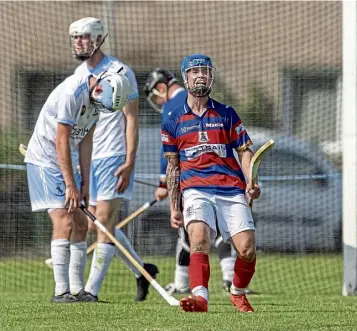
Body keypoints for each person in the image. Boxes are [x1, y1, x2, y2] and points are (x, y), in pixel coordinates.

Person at [68, 17, 158, 302]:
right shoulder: (78, 74)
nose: (78, 42)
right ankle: (143, 271)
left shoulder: (120, 71)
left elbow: (132, 118)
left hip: (114, 155)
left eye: (83, 37)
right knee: (97, 225)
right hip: (90, 158)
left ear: (97, 39)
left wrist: (130, 160)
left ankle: (91, 291)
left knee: (105, 222)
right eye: (75, 37)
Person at [161, 54, 260, 313]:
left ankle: (237, 293)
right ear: (185, 78)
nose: (200, 75)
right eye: (194, 72)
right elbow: (173, 166)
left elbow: (245, 151)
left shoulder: (227, 113)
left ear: (212, 76)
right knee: (198, 238)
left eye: (205, 71)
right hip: (195, 189)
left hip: (230, 188)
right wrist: (174, 206)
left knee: (247, 249)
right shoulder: (172, 117)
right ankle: (200, 298)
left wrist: (251, 181)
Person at [25, 71, 130, 303]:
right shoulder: (73, 92)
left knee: (82, 223)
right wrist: (70, 185)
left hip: (66, 160)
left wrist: (84, 183)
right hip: (44, 159)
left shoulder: (98, 102)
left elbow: (85, 141)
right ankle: (60, 291)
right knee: (65, 219)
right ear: (99, 89)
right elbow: (61, 140)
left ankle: (78, 289)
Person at [144, 68, 237, 294]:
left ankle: (183, 283)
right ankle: (229, 279)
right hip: (220, 175)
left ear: (161, 88)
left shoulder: (170, 108)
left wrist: (163, 184)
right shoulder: (202, 101)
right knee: (220, 229)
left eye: (156, 95)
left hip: (191, 179)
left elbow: (167, 152)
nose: (158, 101)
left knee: (188, 232)